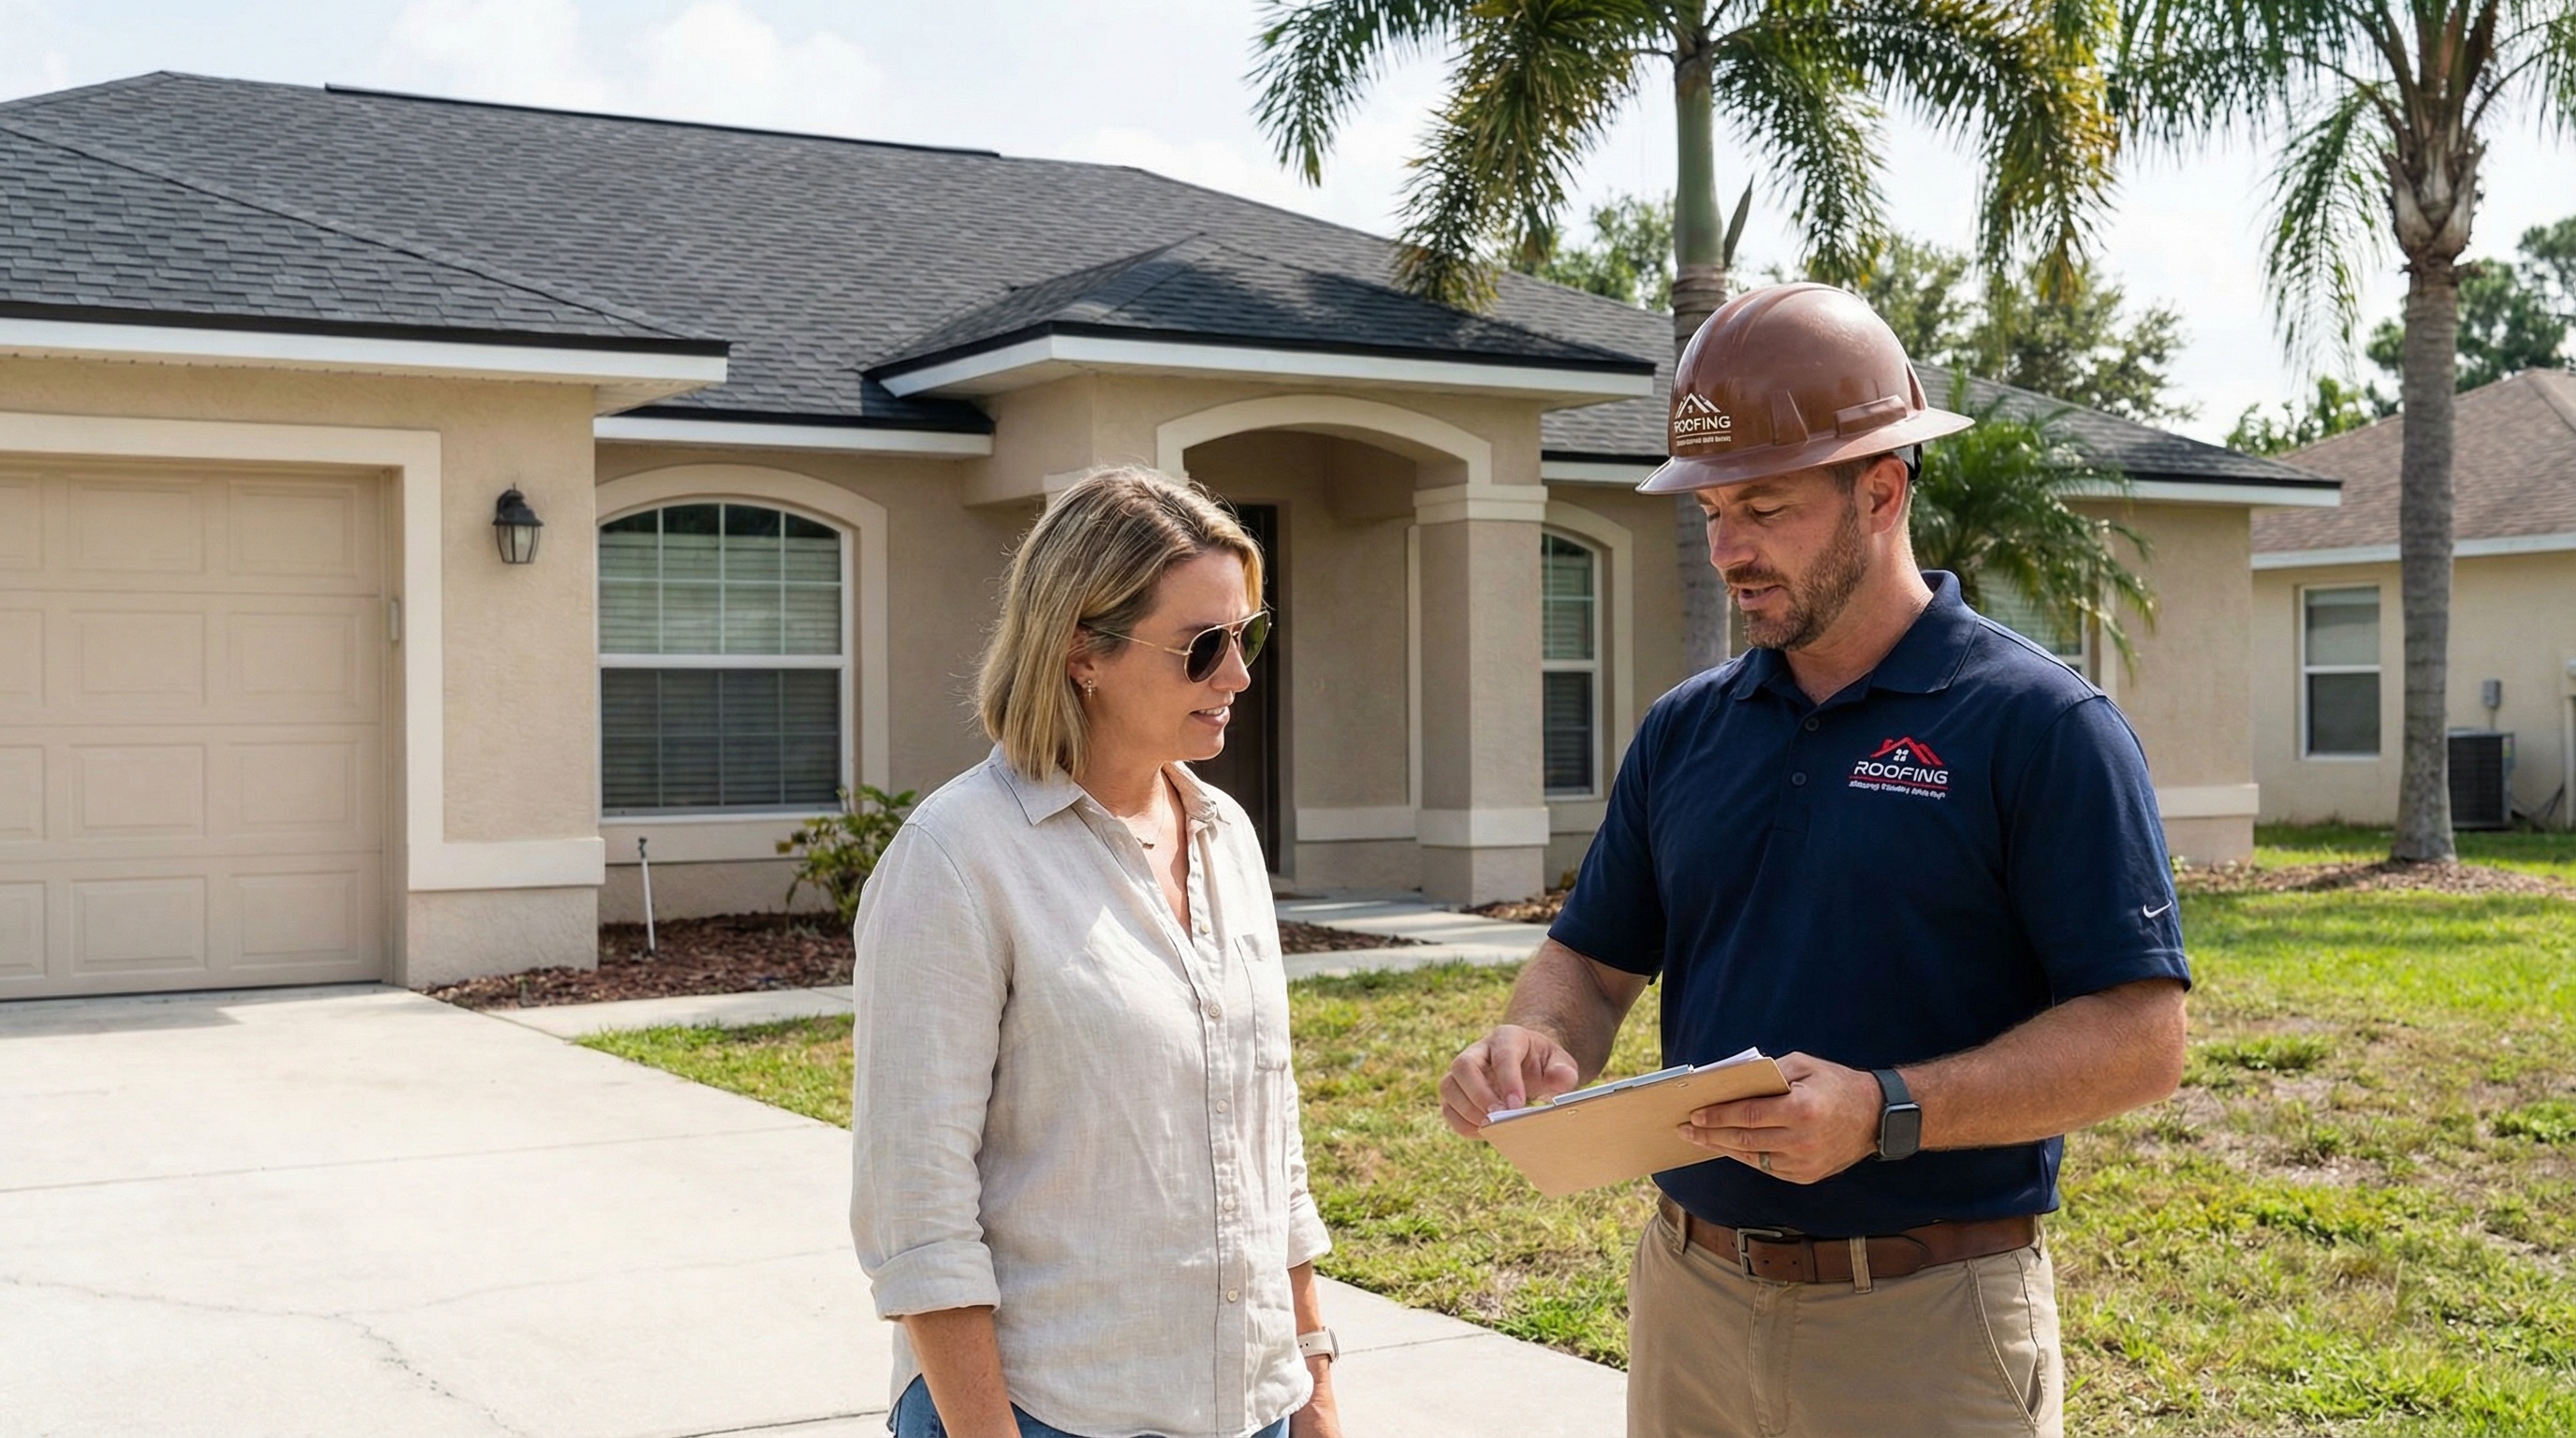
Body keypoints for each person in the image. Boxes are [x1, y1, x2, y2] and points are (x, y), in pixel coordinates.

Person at [1440, 283, 2190, 1438]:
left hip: (1926, 1325)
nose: (1728, 551)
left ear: (1879, 490)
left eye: (1765, 509)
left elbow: (2140, 1038)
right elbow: (1588, 967)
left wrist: (1886, 1109)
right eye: (1708, 515)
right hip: (1688, 1303)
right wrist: (1534, 1045)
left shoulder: (2038, 726)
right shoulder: (1688, 729)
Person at [850, 467, 1342, 1438]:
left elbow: (1266, 1144)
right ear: (1083, 649)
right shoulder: (955, 861)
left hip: (1251, 1408)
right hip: (1046, 1413)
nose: (1237, 674)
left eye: (1248, 636)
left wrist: (1312, 1384)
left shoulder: (1224, 836)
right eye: (1203, 646)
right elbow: (916, 1212)